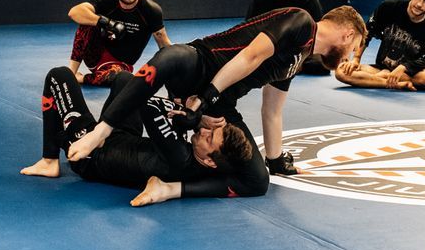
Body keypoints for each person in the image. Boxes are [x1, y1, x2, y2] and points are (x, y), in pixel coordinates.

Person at [65, 5, 368, 176]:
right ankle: (101, 131)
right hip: (202, 64)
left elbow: (272, 110)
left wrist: (275, 161)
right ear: (348, 33)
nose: (350, 56)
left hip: (219, 100)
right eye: (354, 48)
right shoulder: (301, 22)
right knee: (172, 56)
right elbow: (251, 56)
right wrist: (202, 101)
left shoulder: (298, 59)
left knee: (256, 178)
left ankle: (173, 175)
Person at [20, 64, 266, 202]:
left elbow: (146, 102)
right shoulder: (207, 164)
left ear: (210, 161)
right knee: (126, 80)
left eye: (209, 138)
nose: (203, 131)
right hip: (124, 140)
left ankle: (49, 160)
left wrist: (193, 114)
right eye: (211, 130)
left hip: (91, 157)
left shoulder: (178, 156)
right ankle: (101, 131)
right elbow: (255, 183)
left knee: (59, 75)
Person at [66, 0, 169, 86]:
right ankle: (70, 74)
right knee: (86, 20)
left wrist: (179, 60)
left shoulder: (151, 10)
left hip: (120, 66)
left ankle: (81, 78)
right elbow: (74, 12)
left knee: (118, 77)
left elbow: (164, 45)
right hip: (96, 55)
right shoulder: (108, 2)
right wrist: (108, 23)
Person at [337, 0, 425, 91]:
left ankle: (377, 79)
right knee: (341, 71)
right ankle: (393, 83)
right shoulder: (389, 7)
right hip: (381, 68)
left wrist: (404, 67)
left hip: (409, 73)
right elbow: (366, 32)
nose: (419, 4)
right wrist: (356, 59)